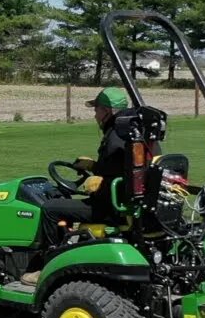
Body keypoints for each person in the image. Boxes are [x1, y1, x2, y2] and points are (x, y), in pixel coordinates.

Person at [22, 87, 129, 285]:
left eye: (96, 110)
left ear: (106, 111)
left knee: (50, 208)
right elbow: (115, 168)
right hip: (121, 203)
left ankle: (47, 265)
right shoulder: (129, 134)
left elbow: (113, 172)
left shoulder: (115, 138)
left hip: (106, 207)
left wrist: (97, 178)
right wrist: (93, 166)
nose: (95, 115)